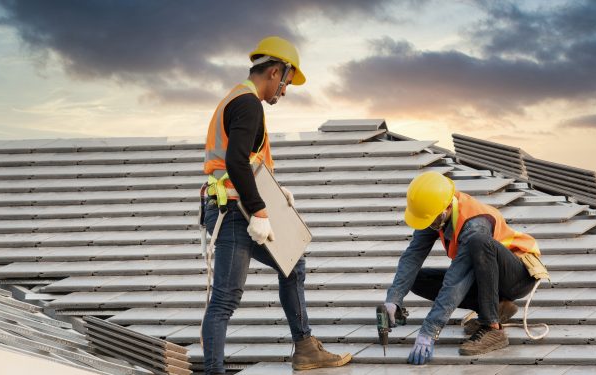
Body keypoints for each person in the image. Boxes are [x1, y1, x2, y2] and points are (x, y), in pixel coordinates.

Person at [201, 36, 352, 374]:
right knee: (225, 299)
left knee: (293, 262)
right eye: (285, 82)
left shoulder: (237, 100)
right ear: (274, 72)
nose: (284, 91)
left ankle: (305, 347)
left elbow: (244, 162)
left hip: (237, 205)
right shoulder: (248, 103)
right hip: (235, 213)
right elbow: (237, 163)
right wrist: (260, 211)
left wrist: (273, 190)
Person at [384, 171, 541, 364]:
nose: (430, 225)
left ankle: (492, 328)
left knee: (479, 243)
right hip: (490, 278)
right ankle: (497, 307)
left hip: (518, 276)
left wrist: (429, 331)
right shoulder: (435, 211)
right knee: (417, 279)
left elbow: (456, 281)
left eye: (432, 221)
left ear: (446, 208)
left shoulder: (475, 224)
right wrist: (394, 298)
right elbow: (413, 256)